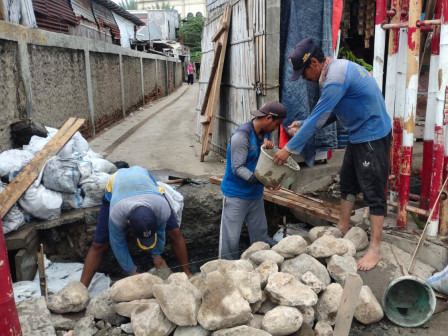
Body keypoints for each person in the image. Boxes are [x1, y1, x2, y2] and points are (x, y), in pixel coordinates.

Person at [273, 38, 392, 271]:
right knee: (347, 183)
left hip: (372, 135)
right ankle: (343, 226)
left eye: (304, 72)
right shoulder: (330, 73)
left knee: (373, 191)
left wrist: (288, 149)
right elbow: (331, 113)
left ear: (314, 62)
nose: (304, 78)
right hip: (358, 134)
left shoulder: (335, 78)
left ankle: (375, 249)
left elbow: (319, 117)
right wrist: (305, 123)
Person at [80, 166, 192, 288]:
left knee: (175, 231)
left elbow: (160, 230)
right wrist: (132, 272)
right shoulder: (117, 213)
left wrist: (157, 255)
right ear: (128, 222)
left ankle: (188, 274)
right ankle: (81, 290)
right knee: (99, 244)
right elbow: (117, 243)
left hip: (145, 183)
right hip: (117, 187)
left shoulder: (161, 207)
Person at [219, 101, 287, 260]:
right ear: (269, 118)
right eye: (276, 124)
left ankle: (258, 269)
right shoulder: (241, 136)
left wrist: (269, 152)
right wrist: (263, 182)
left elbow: (266, 163)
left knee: (260, 237)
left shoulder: (266, 135)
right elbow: (238, 168)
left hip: (255, 195)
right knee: (230, 242)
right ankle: (225, 273)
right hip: (235, 195)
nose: (276, 129)